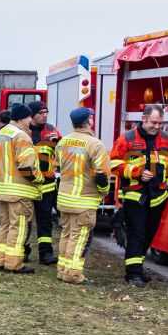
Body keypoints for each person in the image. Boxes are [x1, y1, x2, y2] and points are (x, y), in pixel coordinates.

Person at [110, 102, 168, 284]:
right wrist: (137, 172)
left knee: (149, 234)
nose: (157, 127)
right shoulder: (127, 139)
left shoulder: (165, 139)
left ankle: (138, 268)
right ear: (144, 119)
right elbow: (114, 164)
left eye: (160, 123)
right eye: (153, 123)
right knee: (137, 233)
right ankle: (132, 274)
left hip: (158, 197)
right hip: (135, 195)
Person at [53, 106, 111, 284]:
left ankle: (63, 270)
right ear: (89, 121)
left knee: (67, 234)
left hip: (64, 198)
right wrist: (104, 191)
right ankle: (73, 274)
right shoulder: (95, 144)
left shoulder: (63, 142)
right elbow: (102, 175)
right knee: (79, 238)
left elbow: (58, 166)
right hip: (83, 200)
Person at [0, 101, 40, 272]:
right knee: (18, 227)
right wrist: (38, 180)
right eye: (28, 117)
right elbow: (26, 167)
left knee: (5, 226)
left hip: (3, 189)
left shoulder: (3, 133)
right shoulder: (22, 136)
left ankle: (1, 261)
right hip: (19, 191)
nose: (30, 120)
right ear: (21, 118)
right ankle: (13, 264)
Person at [26, 100, 61, 269]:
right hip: (27, 184)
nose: (45, 115)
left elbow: (62, 154)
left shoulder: (52, 130)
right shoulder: (23, 131)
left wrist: (57, 143)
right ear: (32, 115)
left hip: (47, 185)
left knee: (45, 221)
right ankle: (22, 251)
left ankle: (46, 253)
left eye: (46, 112)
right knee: (24, 221)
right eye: (41, 113)